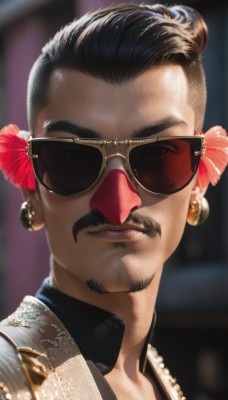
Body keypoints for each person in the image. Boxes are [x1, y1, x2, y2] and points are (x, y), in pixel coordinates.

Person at [0, 3, 227, 400]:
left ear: (199, 180)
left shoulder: (156, 377)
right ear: (30, 184)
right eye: (73, 158)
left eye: (159, 155)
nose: (118, 204)